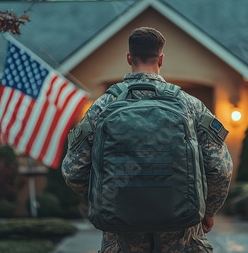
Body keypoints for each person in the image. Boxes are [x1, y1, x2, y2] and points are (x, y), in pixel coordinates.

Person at [62, 27, 233, 253]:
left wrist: (105, 196)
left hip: (121, 232)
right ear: (161, 59)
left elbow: (74, 171)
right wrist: (209, 209)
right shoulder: (189, 105)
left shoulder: (102, 107)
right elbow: (220, 168)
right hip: (182, 230)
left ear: (129, 58)